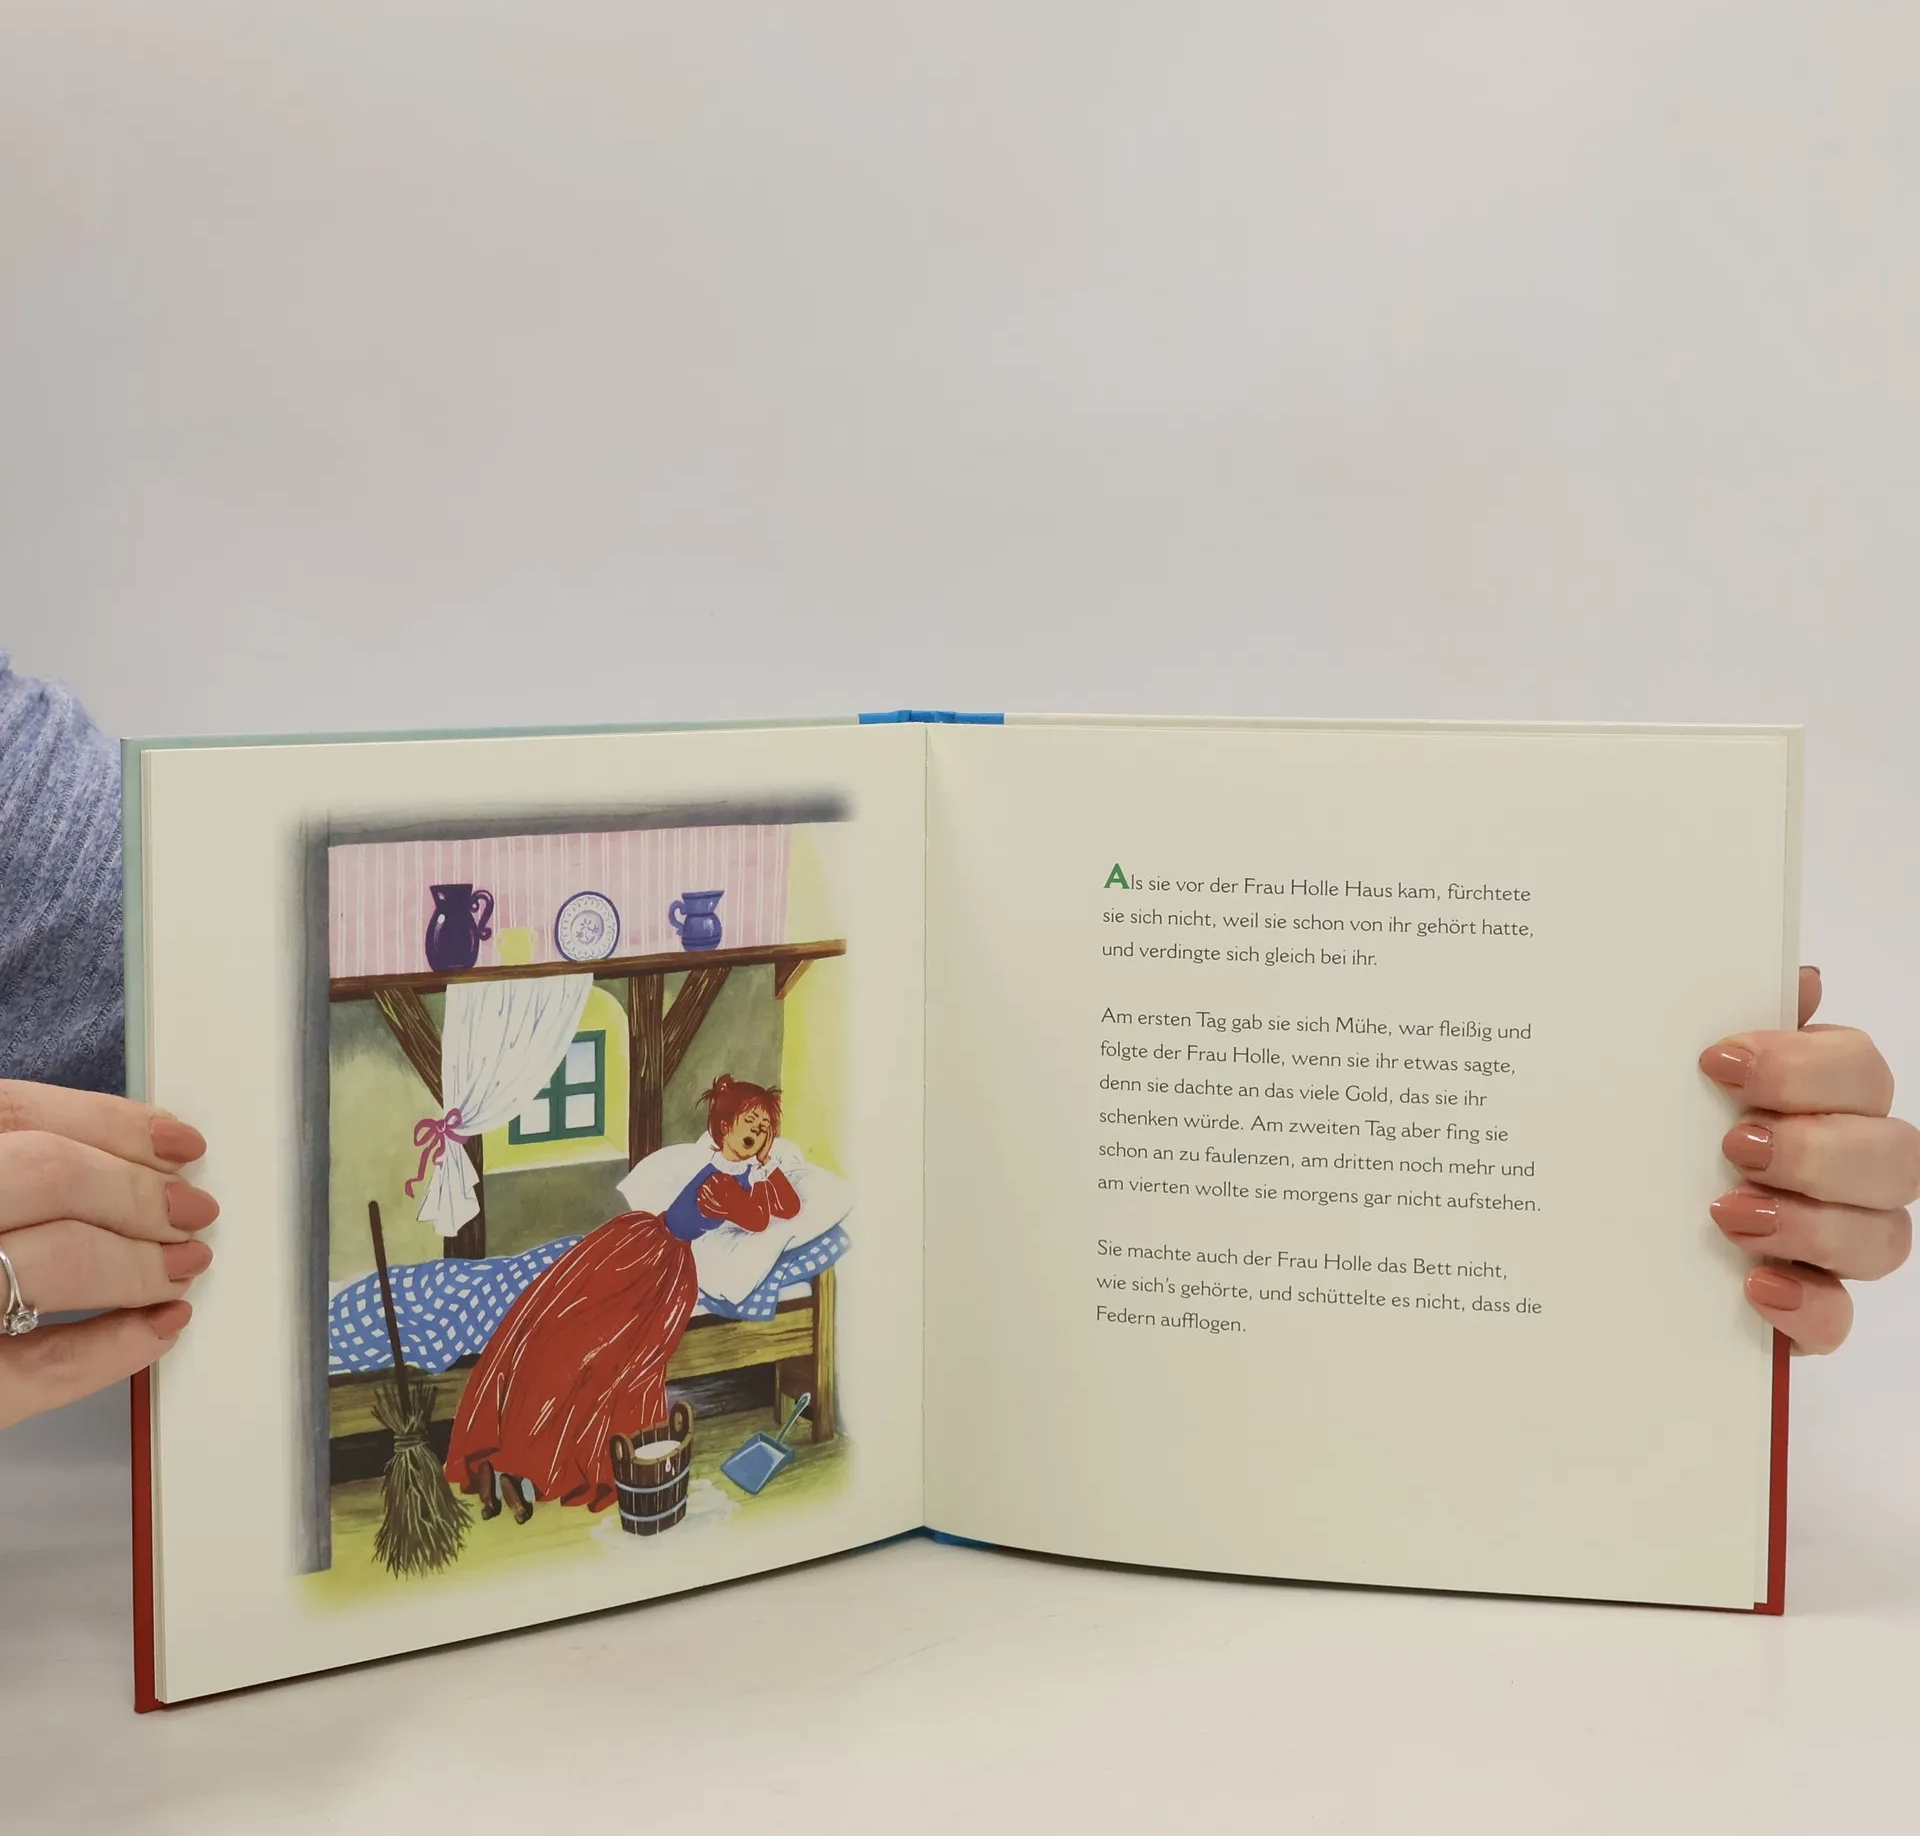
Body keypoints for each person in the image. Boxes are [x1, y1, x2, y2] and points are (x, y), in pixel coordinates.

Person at [0, 647, 1912, 1433]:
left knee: (590, 1288)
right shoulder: (697, 1174)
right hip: (636, 1258)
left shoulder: (768, 1192)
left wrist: (1576, 1056)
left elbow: (189, 1006)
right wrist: (680, 1217)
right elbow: (663, 1193)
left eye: (755, 1126)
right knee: (582, 1282)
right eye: (743, 1126)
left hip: (684, 1268)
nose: (751, 1139)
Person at [443, 1074, 808, 1519]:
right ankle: (517, 1458)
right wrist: (765, 1169)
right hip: (651, 1256)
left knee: (601, 1350)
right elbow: (758, 1218)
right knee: (586, 1339)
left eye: (765, 1128)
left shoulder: (740, 1174)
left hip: (661, 1254)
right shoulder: (719, 1182)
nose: (757, 1133)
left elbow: (789, 1207)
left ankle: (519, 1466)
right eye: (749, 1123)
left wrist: (767, 1163)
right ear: (725, 1125)